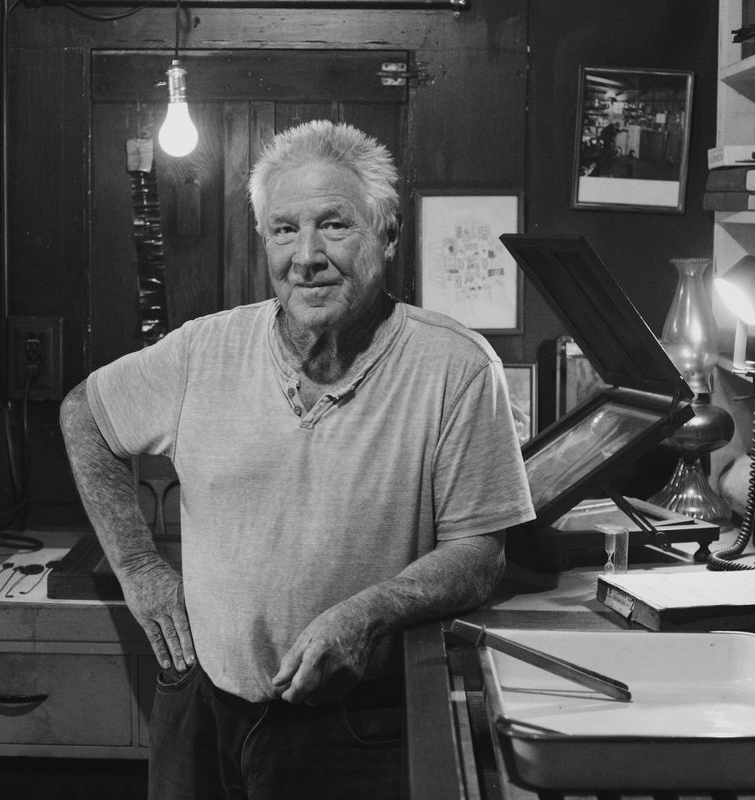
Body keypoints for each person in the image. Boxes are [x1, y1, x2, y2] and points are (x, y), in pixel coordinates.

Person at [60, 119, 533, 800]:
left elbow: (480, 550)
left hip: (358, 727)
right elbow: (84, 415)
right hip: (202, 708)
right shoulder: (202, 353)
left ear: (388, 235)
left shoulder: (454, 369)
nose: (305, 256)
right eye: (284, 230)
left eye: (334, 226)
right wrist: (138, 566)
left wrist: (369, 614)